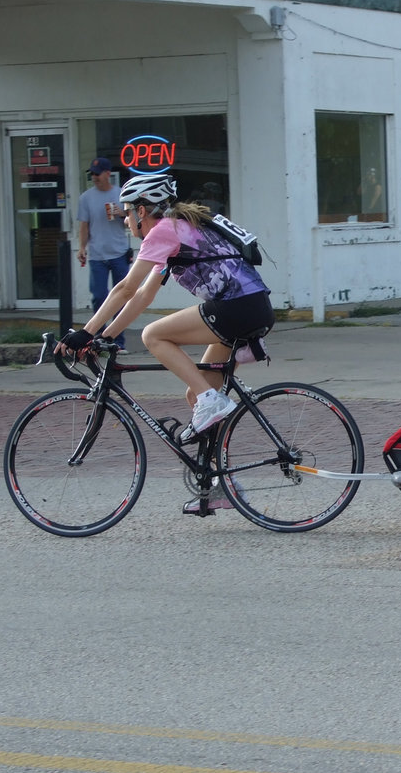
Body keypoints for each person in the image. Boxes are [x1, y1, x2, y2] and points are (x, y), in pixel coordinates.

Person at [56, 174, 275, 513]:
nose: (125, 220)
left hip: (237, 308)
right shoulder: (176, 230)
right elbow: (143, 296)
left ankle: (211, 403)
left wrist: (85, 332)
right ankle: (223, 485)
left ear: (142, 210)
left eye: (127, 213)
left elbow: (124, 289)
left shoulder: (163, 231)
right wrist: (106, 336)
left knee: (153, 335)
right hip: (250, 306)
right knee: (198, 392)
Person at [77, 157, 131, 349]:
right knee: (99, 296)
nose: (95, 177)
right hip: (97, 255)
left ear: (108, 173)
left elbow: (133, 221)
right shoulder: (86, 198)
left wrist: (122, 214)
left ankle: (118, 341)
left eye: (98, 174)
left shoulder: (121, 194)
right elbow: (84, 225)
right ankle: (99, 338)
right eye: (92, 174)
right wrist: (82, 247)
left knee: (122, 298)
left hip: (118, 253)